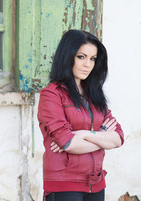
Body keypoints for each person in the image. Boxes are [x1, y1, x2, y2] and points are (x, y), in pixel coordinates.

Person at [37, 29, 124, 201]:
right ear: (67, 56)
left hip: (96, 181)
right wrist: (102, 137)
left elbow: (118, 138)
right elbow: (68, 142)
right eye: (81, 57)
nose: (88, 64)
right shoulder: (51, 95)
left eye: (92, 59)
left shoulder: (94, 94)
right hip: (64, 182)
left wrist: (85, 134)